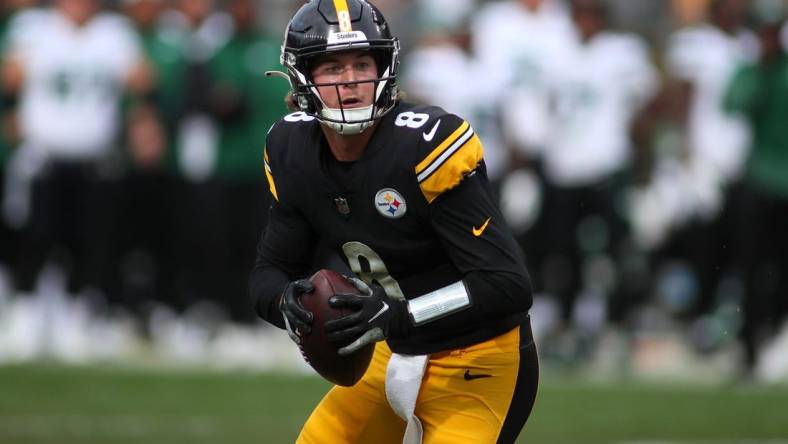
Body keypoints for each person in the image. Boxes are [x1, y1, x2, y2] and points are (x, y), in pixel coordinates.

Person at [249, 1, 538, 443]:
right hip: (389, 351)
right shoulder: (292, 147)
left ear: (385, 67)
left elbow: (506, 283)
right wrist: (285, 303)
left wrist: (399, 315)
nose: (350, 82)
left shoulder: (425, 146)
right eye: (332, 68)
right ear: (303, 77)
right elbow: (268, 274)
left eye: (362, 63)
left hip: (476, 360)